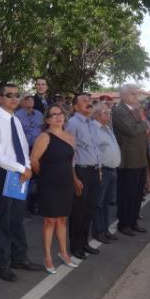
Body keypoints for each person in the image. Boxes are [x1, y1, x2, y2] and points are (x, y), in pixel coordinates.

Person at [0, 83, 42, 282]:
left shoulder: (16, 120)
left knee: (17, 218)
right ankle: (1, 264)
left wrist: (26, 168)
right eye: (9, 95)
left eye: (16, 95)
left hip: (19, 175)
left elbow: (23, 148)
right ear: (0, 97)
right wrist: (22, 169)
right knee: (3, 221)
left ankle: (19, 257)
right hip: (4, 174)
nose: (13, 99)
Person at [30, 104, 77, 273]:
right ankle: (47, 257)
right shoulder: (44, 137)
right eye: (54, 114)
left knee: (63, 220)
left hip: (66, 184)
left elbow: (70, 162)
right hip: (49, 185)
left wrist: (74, 179)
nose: (58, 117)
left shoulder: (70, 137)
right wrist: (46, 176)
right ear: (48, 119)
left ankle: (64, 253)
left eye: (61, 114)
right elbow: (34, 161)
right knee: (49, 221)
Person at [65, 93, 102, 259]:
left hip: (94, 171)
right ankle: (75, 246)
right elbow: (70, 153)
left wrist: (99, 169)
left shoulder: (92, 124)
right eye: (84, 101)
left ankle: (84, 243)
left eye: (89, 101)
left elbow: (95, 149)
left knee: (90, 209)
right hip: (81, 171)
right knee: (78, 211)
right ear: (75, 106)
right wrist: (74, 177)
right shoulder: (73, 124)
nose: (89, 103)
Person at [111, 84, 149, 237]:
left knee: (137, 193)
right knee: (127, 193)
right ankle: (124, 223)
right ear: (124, 96)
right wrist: (144, 123)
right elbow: (132, 130)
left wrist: (141, 122)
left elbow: (138, 128)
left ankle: (133, 222)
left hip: (139, 158)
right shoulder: (120, 111)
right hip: (128, 160)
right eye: (133, 94)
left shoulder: (134, 110)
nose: (136, 97)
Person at [91, 102, 121, 244]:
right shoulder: (94, 129)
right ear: (97, 115)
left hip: (112, 170)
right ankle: (98, 231)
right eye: (105, 112)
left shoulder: (107, 128)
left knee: (106, 203)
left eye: (109, 112)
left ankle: (105, 229)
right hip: (102, 171)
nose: (109, 114)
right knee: (98, 202)